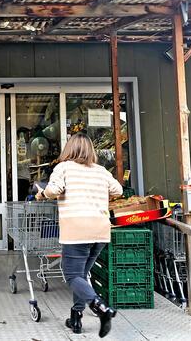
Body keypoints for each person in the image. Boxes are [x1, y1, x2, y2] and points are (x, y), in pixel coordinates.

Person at [35, 133, 123, 337]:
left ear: (69, 149)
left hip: (77, 230)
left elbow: (54, 190)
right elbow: (117, 190)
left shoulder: (63, 167)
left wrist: (42, 192)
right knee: (81, 276)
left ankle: (101, 308)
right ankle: (76, 317)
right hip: (100, 230)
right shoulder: (101, 171)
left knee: (72, 275)